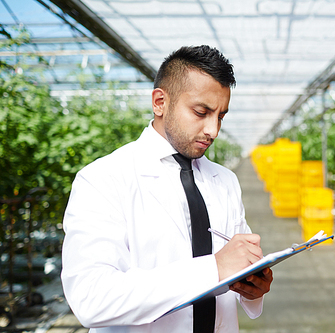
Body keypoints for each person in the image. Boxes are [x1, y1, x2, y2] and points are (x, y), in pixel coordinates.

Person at [61, 45, 273, 333]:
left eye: (221, 116)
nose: (213, 130)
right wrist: (213, 269)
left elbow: (234, 268)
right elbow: (92, 297)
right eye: (201, 112)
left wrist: (252, 286)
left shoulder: (225, 181)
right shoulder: (102, 179)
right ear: (160, 102)